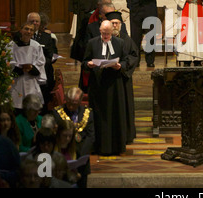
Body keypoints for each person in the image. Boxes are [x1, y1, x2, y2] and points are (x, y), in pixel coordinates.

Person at [82, 20, 135, 155]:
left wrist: (120, 66)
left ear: (112, 32)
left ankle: (116, 147)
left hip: (114, 85)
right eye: (103, 33)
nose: (106, 36)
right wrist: (89, 64)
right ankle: (99, 147)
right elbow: (84, 61)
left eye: (108, 33)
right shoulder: (92, 43)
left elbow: (125, 60)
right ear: (100, 31)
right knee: (99, 116)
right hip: (98, 85)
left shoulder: (120, 43)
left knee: (115, 114)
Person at [106, 11, 139, 145]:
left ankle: (126, 135)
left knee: (124, 107)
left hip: (122, 79)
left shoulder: (127, 39)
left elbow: (134, 56)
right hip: (107, 80)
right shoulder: (102, 39)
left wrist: (122, 66)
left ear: (120, 24)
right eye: (112, 23)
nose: (115, 25)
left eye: (117, 23)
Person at [52, 87, 95, 188]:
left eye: (74, 104)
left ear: (80, 101)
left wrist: (80, 156)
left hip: (82, 160)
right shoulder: (57, 113)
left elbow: (91, 136)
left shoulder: (87, 113)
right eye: (69, 103)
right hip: (63, 159)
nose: (71, 107)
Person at [126, 0, 163, 68]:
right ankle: (135, 61)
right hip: (136, 11)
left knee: (150, 37)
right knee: (135, 37)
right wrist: (135, 1)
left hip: (149, 9)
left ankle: (150, 60)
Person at [7, 22, 46, 113]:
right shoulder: (11, 46)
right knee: (16, 107)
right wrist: (19, 68)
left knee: (31, 107)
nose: (28, 32)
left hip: (31, 80)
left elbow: (40, 62)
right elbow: (8, 61)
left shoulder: (36, 46)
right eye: (26, 29)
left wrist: (32, 68)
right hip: (17, 81)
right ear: (21, 30)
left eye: (31, 30)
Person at [27, 12, 58, 113]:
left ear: (40, 23)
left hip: (43, 72)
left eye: (37, 21)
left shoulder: (47, 37)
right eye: (32, 21)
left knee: (43, 103)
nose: (35, 23)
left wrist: (39, 65)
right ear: (27, 22)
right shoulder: (22, 37)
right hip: (27, 74)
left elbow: (51, 55)